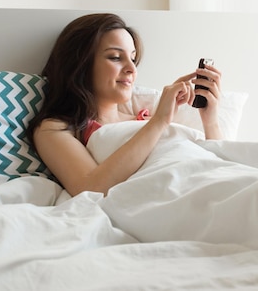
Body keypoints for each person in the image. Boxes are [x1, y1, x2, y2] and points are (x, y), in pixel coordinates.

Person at [26, 13, 223, 196]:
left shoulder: (144, 119)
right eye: (115, 57)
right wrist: (160, 121)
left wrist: (210, 120)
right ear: (80, 64)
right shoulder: (54, 130)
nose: (131, 69)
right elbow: (90, 188)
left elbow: (219, 165)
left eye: (133, 58)